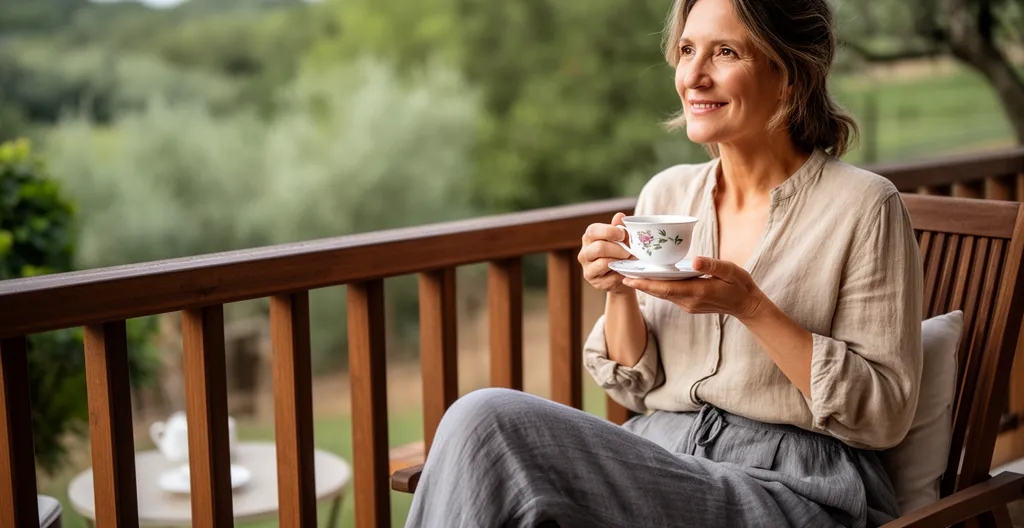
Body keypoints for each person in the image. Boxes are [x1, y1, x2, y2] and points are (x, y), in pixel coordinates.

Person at [405, 0, 923, 525]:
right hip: (663, 456)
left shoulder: (864, 206)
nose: (693, 76)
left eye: (726, 52)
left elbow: (883, 414)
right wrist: (619, 290)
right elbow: (635, 385)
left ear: (789, 75)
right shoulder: (668, 193)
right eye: (687, 50)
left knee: (487, 421)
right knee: (485, 445)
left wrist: (751, 308)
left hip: (790, 484)